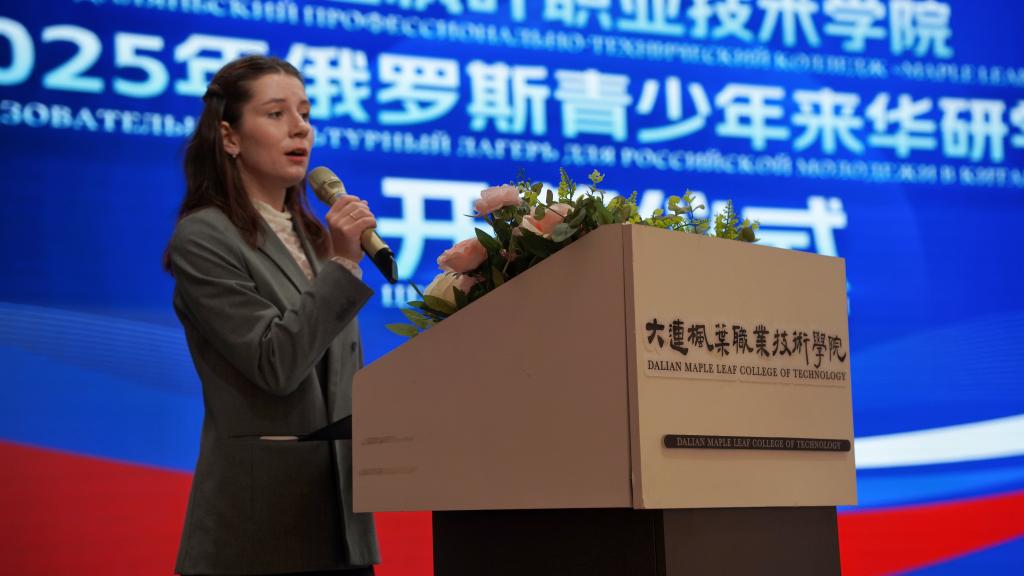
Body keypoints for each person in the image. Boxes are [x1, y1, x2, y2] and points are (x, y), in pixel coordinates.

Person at [164, 55, 379, 575]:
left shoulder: (314, 240)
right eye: (277, 113)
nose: (299, 127)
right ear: (229, 137)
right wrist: (344, 264)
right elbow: (275, 363)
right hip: (257, 532)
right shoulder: (205, 237)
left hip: (342, 526)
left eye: (305, 113)